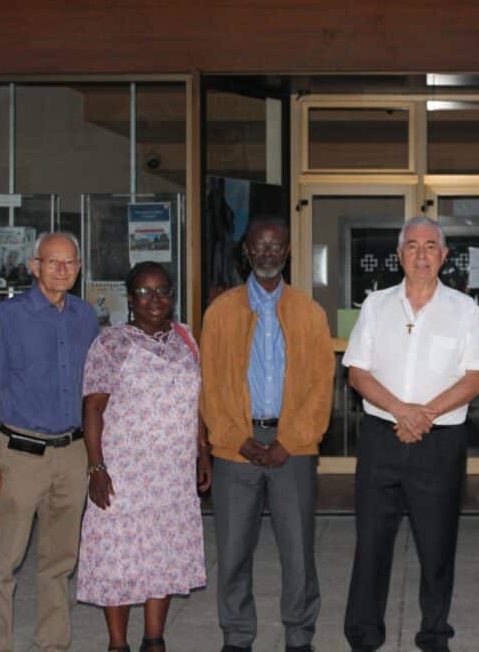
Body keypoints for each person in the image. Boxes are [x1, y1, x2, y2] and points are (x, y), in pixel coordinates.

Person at [342, 216, 479, 652]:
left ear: (444, 256)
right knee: (371, 542)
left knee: (437, 544)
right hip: (381, 436)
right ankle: (364, 634)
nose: (422, 254)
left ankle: (434, 634)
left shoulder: (463, 309)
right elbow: (356, 372)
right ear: (399, 255)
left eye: (431, 246)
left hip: (439, 442)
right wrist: (400, 411)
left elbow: (476, 379)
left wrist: (423, 415)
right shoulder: (375, 305)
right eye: (413, 245)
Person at [199, 215, 335, 652]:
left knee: (298, 554)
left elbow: (321, 385)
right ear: (246, 251)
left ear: (288, 252)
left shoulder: (309, 313)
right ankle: (237, 637)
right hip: (236, 450)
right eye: (260, 246)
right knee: (234, 553)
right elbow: (210, 384)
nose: (268, 253)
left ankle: (299, 637)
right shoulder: (221, 312)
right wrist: (234, 436)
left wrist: (290, 441)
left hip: (291, 452)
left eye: (276, 246)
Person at [75, 261, 211, 652]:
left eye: (163, 291)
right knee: (119, 556)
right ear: (130, 298)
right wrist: (96, 467)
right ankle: (118, 644)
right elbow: (92, 410)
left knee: (163, 555)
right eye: (145, 292)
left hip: (171, 476)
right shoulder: (111, 344)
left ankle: (155, 641)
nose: (156, 300)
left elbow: (194, 403)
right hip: (124, 473)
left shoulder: (186, 339)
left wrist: (202, 451)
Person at [0, 232, 99, 652]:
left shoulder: (86, 317)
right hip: (21, 456)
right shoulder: (8, 317)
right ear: (34, 266)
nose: (61, 270)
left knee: (59, 562)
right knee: (3, 561)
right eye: (52, 262)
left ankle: (53, 644)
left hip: (73, 454)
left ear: (79, 269)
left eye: (70, 263)